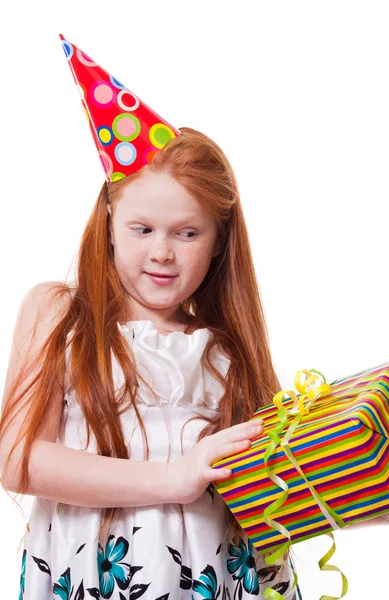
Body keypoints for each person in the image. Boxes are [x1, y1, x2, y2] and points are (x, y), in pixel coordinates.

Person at [0, 36, 301, 600]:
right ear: (110, 217)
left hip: (220, 576)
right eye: (143, 229)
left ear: (218, 242)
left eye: (187, 233)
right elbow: (19, 460)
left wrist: (366, 492)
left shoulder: (225, 349)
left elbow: (279, 482)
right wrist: (171, 478)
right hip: (96, 577)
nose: (162, 252)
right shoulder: (61, 314)